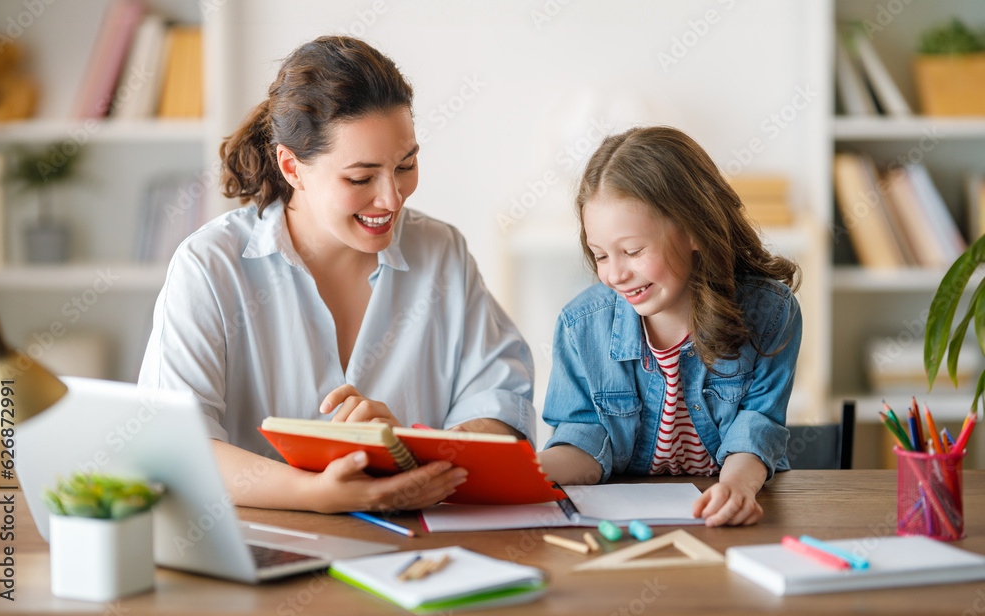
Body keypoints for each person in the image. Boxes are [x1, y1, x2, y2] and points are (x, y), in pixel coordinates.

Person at [138, 36, 535, 514]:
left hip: (413, 551)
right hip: (257, 553)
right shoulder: (209, 267)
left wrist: (411, 450)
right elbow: (177, 445)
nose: (392, 198)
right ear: (292, 167)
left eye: (405, 165)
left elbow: (500, 403)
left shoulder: (442, 252)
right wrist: (314, 493)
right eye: (361, 178)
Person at [537, 126, 802, 527]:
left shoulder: (770, 313)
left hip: (727, 521)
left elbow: (757, 426)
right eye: (600, 255)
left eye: (633, 251)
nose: (615, 275)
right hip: (626, 526)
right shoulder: (580, 326)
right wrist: (526, 472)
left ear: (694, 228)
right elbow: (582, 437)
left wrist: (737, 488)